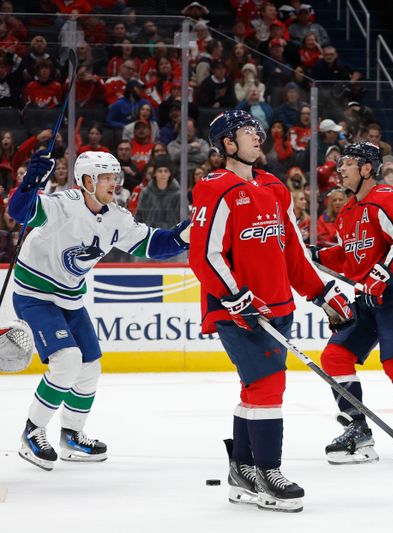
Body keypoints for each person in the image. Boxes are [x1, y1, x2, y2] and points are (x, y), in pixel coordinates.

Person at [188, 110, 353, 512]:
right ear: (228, 143)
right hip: (237, 311)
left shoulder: (274, 186)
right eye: (248, 133)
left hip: (279, 307)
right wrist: (235, 296)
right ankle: (268, 472)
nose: (258, 137)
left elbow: (293, 250)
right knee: (267, 388)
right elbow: (203, 255)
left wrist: (320, 292)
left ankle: (242, 471)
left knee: (255, 389)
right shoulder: (215, 188)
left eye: (258, 131)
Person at [12, 151, 190, 471]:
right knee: (67, 361)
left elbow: (151, 245)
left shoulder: (116, 218)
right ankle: (32, 431)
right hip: (34, 294)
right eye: (106, 177)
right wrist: (31, 181)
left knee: (90, 367)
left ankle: (71, 436)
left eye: (114, 176)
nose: (114, 183)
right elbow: (18, 212)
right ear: (86, 181)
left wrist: (185, 235)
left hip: (70, 298)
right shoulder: (61, 204)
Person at [310, 142, 393, 468]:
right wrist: (314, 254)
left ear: (367, 168)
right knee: (335, 356)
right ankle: (357, 429)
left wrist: (382, 275)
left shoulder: (388, 198)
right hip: (368, 294)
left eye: (348, 164)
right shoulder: (347, 212)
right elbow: (349, 256)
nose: (340, 169)